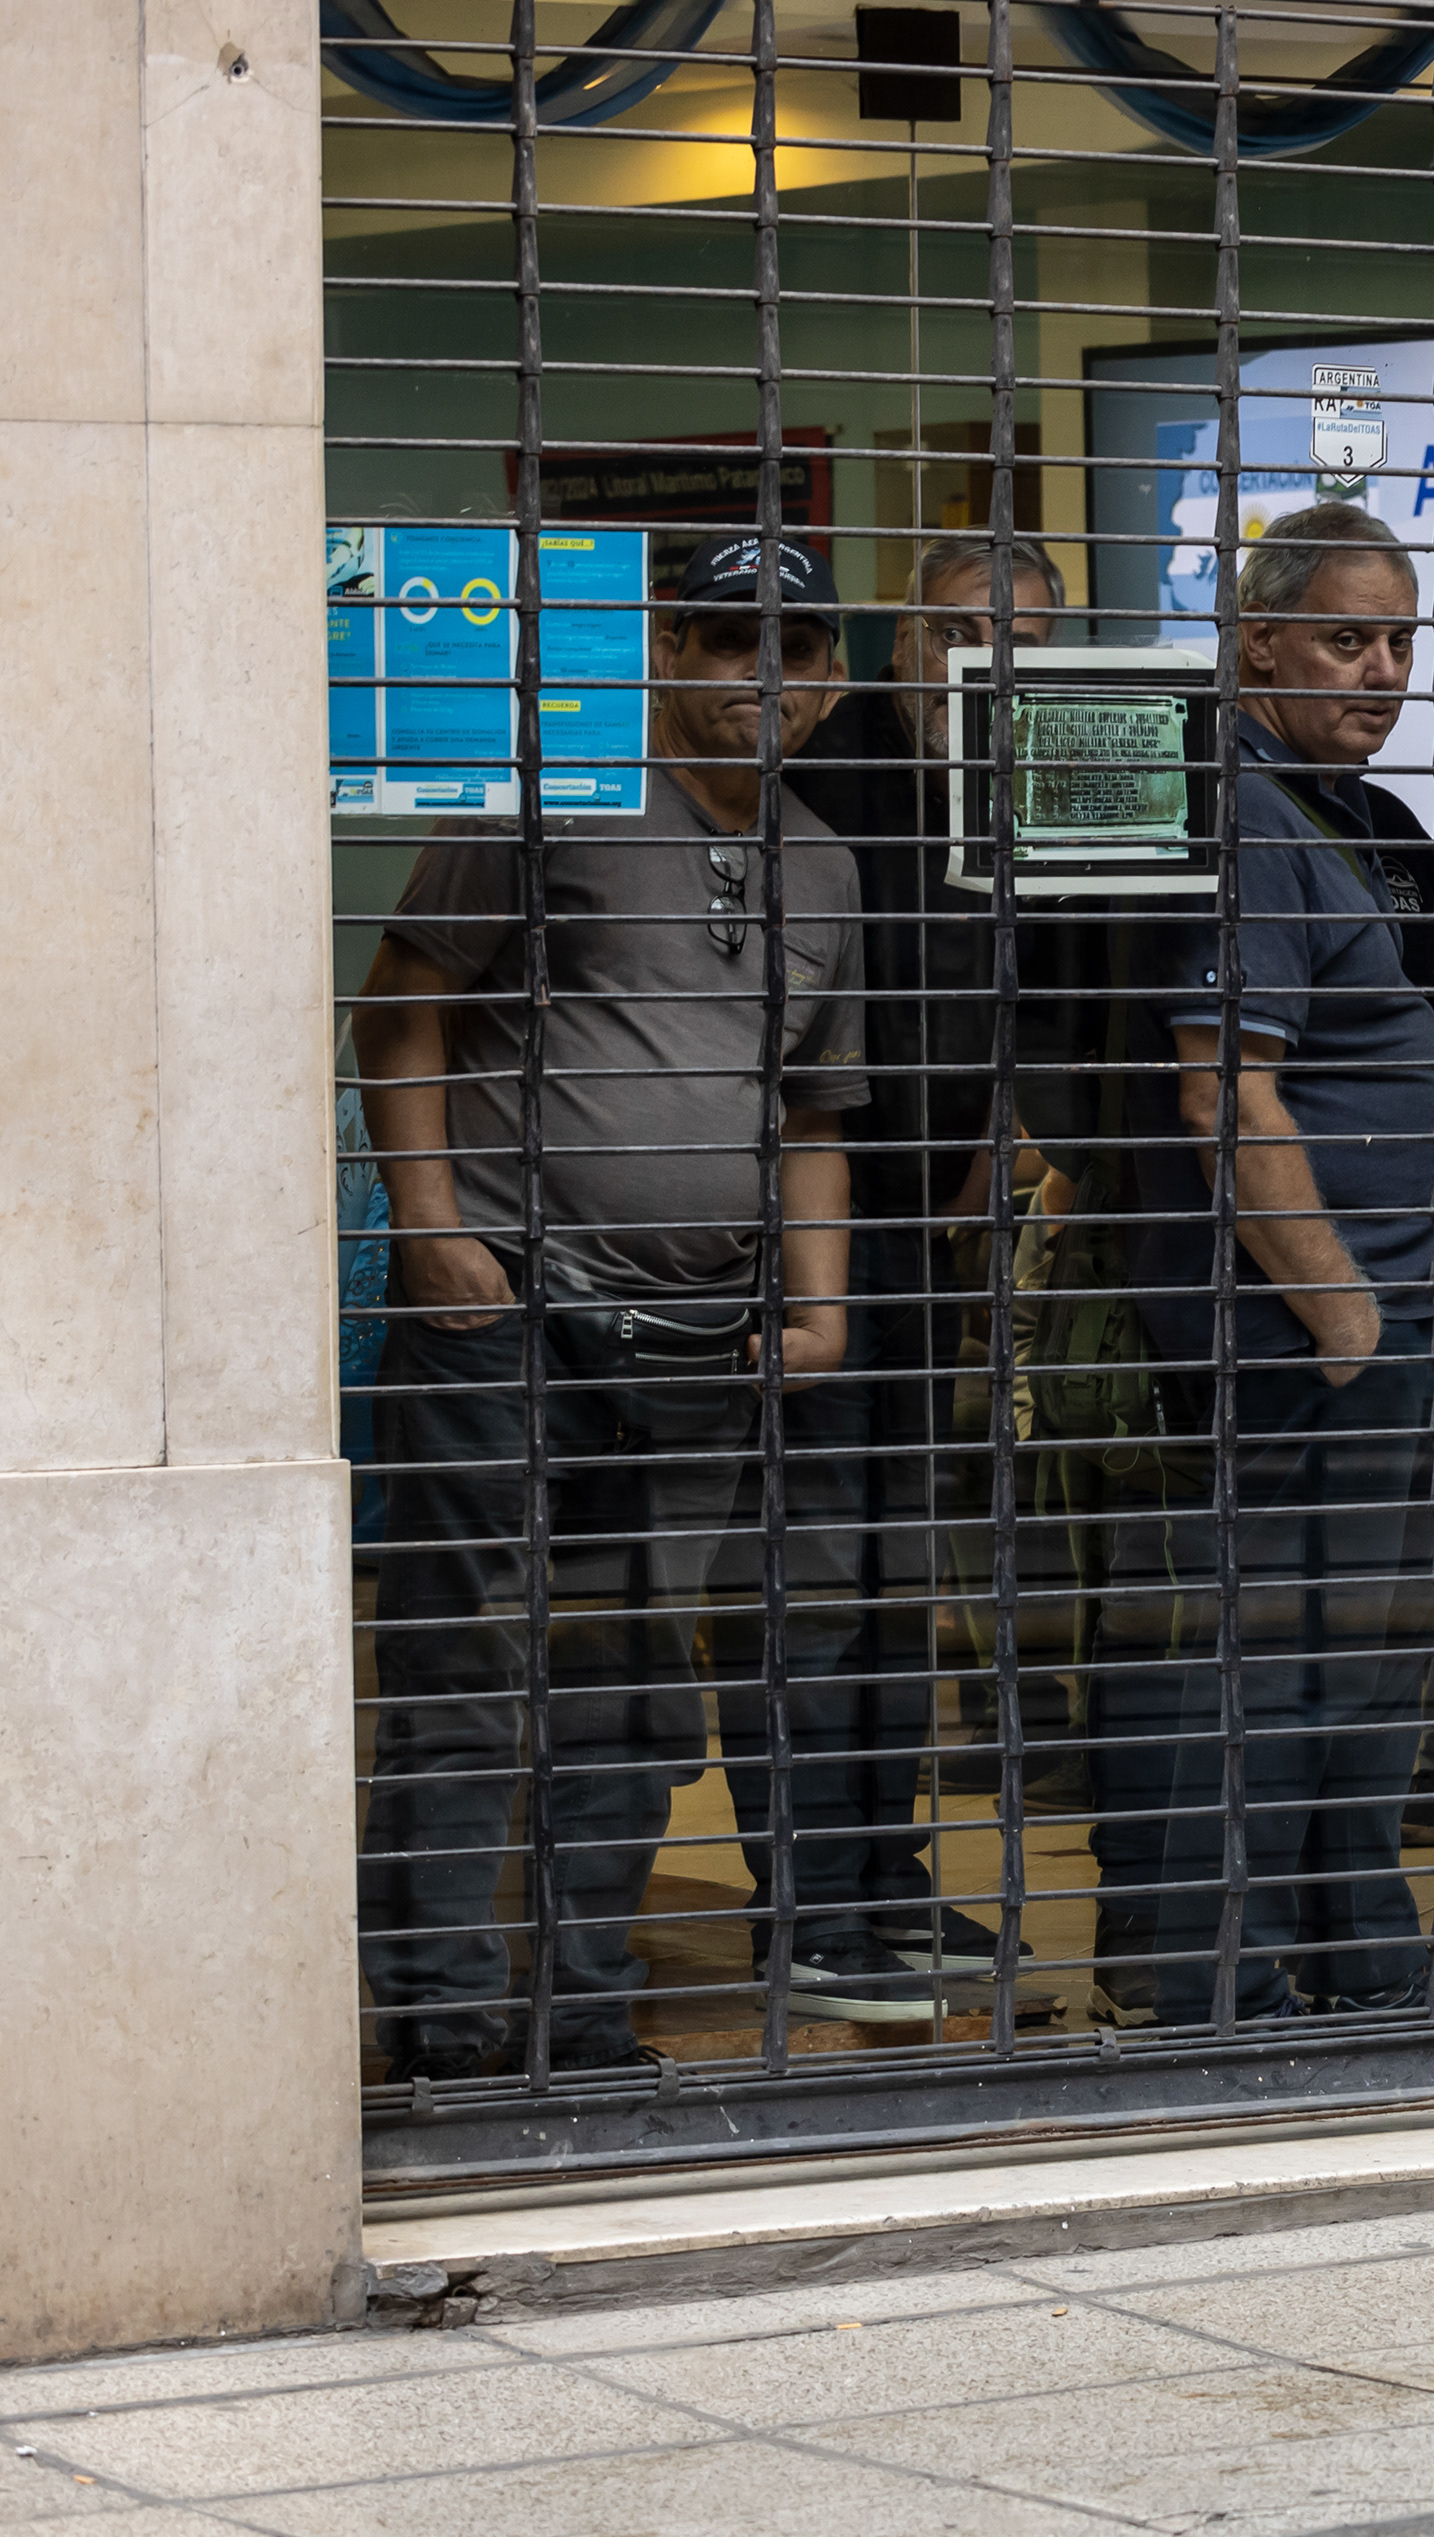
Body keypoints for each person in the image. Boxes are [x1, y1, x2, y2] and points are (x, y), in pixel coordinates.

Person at [349, 532, 869, 2080]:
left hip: (699, 1336)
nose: (761, 674)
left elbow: (813, 1113)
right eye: (725, 641)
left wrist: (822, 1307)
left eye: (794, 649)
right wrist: (432, 1232)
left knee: (632, 1697)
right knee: (466, 1671)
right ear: (663, 657)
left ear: (835, 683)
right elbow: (400, 1014)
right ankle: (443, 2024)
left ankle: (575, 2017)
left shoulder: (828, 866)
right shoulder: (550, 801)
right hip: (508, 1314)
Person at [1086, 500, 1434, 2026]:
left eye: (1400, 642)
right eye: (1344, 639)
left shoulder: (1338, 815)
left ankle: (1354, 1952)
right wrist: (1342, 1310)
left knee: (1354, 1660)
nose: (1381, 672)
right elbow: (1227, 1096)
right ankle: (1220, 1982)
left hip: (1366, 1320)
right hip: (1307, 1332)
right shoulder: (1245, 817)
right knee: (1276, 1662)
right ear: (1257, 644)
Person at [702, 531, 1059, 2021]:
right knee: (810, 1576)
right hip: (801, 1236)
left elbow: (1043, 985)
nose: (992, 665)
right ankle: (806, 1898)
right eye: (964, 633)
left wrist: (1008, 1137)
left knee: (897, 1571)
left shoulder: (1034, 790)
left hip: (935, 1236)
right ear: (900, 645)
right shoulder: (818, 779)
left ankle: (885, 1875)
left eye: (1025, 640)